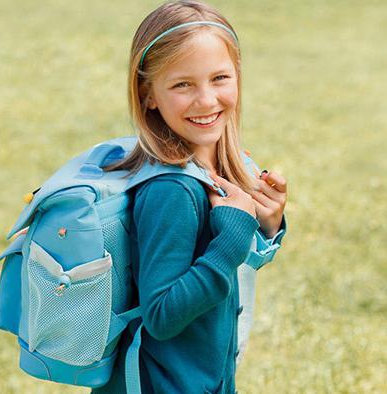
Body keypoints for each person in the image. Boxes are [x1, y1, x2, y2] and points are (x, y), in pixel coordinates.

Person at [94, 1, 287, 393]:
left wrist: (264, 225)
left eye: (220, 78)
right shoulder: (172, 190)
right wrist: (232, 238)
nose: (206, 100)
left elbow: (211, 271)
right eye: (183, 84)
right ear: (148, 95)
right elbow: (163, 315)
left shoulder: (211, 172)